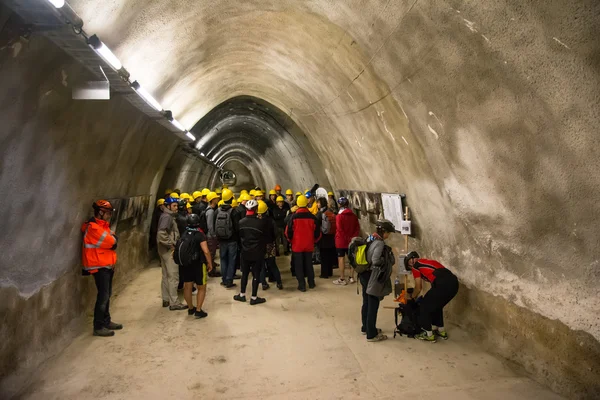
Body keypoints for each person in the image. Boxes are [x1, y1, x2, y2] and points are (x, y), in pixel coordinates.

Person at [81, 200, 121, 337]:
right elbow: (111, 241)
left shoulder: (103, 226)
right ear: (100, 212)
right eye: (108, 213)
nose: (109, 215)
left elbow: (114, 236)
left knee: (107, 294)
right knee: (103, 296)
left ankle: (106, 321)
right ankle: (98, 326)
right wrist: (113, 239)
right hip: (98, 266)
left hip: (107, 264)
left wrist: (114, 239)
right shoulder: (93, 228)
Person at [404, 252, 459, 342]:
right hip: (454, 283)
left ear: (412, 260)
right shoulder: (428, 262)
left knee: (424, 307)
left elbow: (418, 287)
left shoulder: (416, 266)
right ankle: (440, 330)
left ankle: (428, 334)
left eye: (409, 265)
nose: (411, 267)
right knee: (437, 306)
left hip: (442, 284)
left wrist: (412, 297)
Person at [361, 219, 396, 342]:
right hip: (372, 275)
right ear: (384, 231)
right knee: (373, 304)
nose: (388, 236)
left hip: (363, 273)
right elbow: (375, 260)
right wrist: (384, 262)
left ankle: (365, 327)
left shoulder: (370, 238)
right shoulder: (380, 243)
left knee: (366, 302)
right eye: (389, 233)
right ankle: (371, 334)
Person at [234, 200, 267, 305]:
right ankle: (254, 297)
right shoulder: (261, 223)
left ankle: (242, 295)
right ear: (256, 209)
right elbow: (265, 238)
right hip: (257, 252)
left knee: (245, 274)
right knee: (256, 274)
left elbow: (238, 238)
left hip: (245, 252)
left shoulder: (241, 222)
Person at [157, 197, 187, 310]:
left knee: (165, 275)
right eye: (174, 206)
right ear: (168, 206)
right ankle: (174, 302)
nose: (176, 208)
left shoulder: (166, 216)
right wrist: (171, 245)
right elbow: (161, 234)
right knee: (173, 276)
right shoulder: (167, 217)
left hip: (163, 250)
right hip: (168, 250)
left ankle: (166, 299)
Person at [286, 195, 321, 292]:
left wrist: (291, 241)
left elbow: (288, 232)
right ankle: (311, 283)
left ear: (297, 204)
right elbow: (318, 233)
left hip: (297, 246)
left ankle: (301, 285)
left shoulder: (293, 217)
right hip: (309, 245)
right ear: (307, 204)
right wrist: (313, 241)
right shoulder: (313, 218)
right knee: (309, 264)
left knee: (299, 265)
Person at [181, 214, 213, 319]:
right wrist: (210, 263)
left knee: (187, 286)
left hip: (186, 264)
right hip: (198, 264)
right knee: (201, 287)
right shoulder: (200, 235)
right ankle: (198, 310)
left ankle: (190, 308)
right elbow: (206, 251)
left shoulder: (184, 233)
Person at [215, 188, 240, 288]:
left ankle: (224, 279)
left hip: (221, 240)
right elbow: (237, 227)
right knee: (231, 259)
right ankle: (229, 279)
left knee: (223, 259)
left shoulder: (217, 211)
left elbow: (214, 225)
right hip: (232, 239)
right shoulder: (233, 212)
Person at [333, 197, 360, 286]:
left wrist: (346, 238)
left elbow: (340, 229)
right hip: (352, 241)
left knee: (341, 259)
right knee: (351, 259)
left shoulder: (339, 216)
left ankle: (342, 278)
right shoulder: (354, 216)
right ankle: (351, 277)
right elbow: (357, 228)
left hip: (341, 241)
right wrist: (352, 238)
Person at [258, 200, 283, 290]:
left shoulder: (256, 222)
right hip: (270, 245)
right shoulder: (271, 221)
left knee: (261, 266)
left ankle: (264, 283)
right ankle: (279, 282)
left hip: (260, 246)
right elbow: (276, 233)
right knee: (272, 264)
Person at [316, 198, 336, 279]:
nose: (317, 204)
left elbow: (316, 223)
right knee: (329, 255)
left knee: (323, 256)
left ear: (321, 204)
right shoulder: (330, 211)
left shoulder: (320, 213)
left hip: (323, 237)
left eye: (318, 203)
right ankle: (330, 272)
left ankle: (324, 274)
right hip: (331, 237)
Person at [205, 191, 220, 275]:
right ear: (212, 200)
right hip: (210, 236)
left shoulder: (210, 210)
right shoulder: (210, 212)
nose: (218, 199)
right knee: (211, 253)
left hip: (210, 236)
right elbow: (210, 226)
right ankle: (211, 271)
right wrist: (214, 236)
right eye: (216, 198)